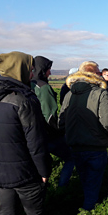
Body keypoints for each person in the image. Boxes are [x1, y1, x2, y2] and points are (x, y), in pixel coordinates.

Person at [0, 51, 52, 215]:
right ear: (19, 69)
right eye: (29, 69)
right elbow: (36, 141)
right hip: (25, 172)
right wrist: (44, 171)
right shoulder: (23, 99)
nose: (32, 73)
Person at [58, 61, 108, 211]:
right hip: (95, 146)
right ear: (95, 75)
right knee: (94, 181)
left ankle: (82, 206)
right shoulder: (101, 93)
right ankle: (89, 211)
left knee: (84, 178)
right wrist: (107, 135)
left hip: (75, 146)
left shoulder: (69, 94)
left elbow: (61, 121)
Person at [31, 56, 74, 187]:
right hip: (47, 134)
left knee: (38, 163)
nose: (50, 73)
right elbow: (49, 115)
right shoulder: (43, 87)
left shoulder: (28, 84)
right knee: (71, 157)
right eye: (48, 69)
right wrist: (58, 132)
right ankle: (62, 187)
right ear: (42, 70)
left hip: (31, 133)